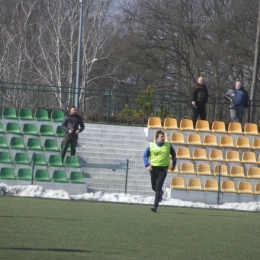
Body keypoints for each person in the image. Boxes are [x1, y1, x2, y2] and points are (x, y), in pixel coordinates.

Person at [143, 130, 177, 212]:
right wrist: (147, 165)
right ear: (156, 138)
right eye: (161, 137)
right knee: (154, 187)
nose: (163, 138)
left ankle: (155, 206)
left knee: (158, 187)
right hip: (153, 169)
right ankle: (160, 193)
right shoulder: (151, 146)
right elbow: (144, 156)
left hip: (163, 169)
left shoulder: (168, 146)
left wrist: (173, 164)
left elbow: (174, 155)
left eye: (164, 136)